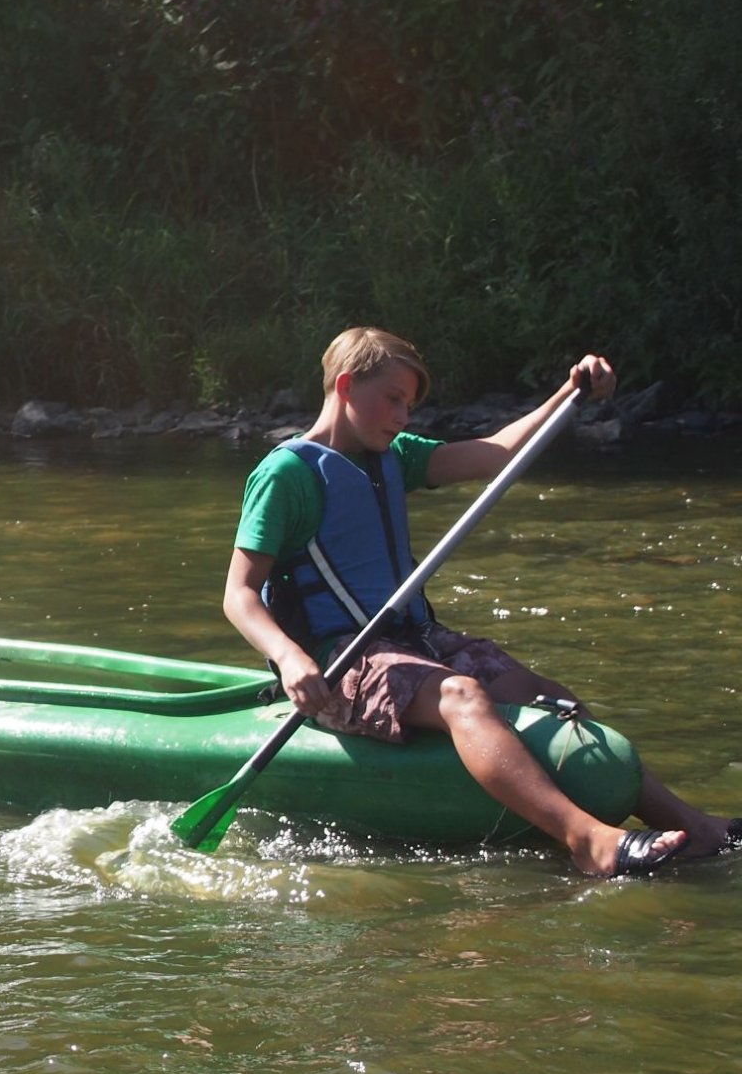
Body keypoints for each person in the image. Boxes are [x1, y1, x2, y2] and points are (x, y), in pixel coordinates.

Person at [223, 327, 737, 877]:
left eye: (409, 404)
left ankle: (696, 828)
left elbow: (498, 452)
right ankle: (588, 840)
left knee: (547, 696)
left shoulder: (393, 456)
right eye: (392, 399)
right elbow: (239, 594)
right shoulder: (287, 475)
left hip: (412, 640)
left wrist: (570, 394)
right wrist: (290, 658)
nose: (401, 416)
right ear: (347, 386)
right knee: (461, 695)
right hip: (338, 662)